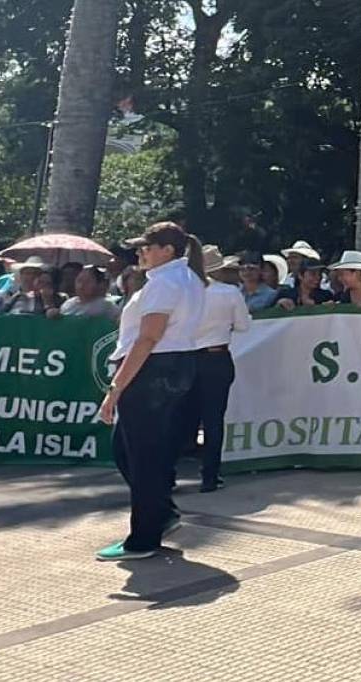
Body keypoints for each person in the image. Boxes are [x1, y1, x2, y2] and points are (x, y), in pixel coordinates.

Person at [96, 222, 206, 562]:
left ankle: (143, 539)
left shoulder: (165, 283)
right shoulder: (187, 278)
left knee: (143, 456)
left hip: (154, 370)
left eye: (147, 247)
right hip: (176, 365)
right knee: (134, 450)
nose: (140, 252)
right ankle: (161, 513)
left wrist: (115, 389)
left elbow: (148, 338)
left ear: (168, 250)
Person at [185, 246, 250, 492]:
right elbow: (243, 325)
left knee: (179, 417)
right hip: (216, 357)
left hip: (186, 357)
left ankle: (167, 475)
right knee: (213, 420)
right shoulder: (229, 292)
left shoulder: (182, 292)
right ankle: (209, 476)